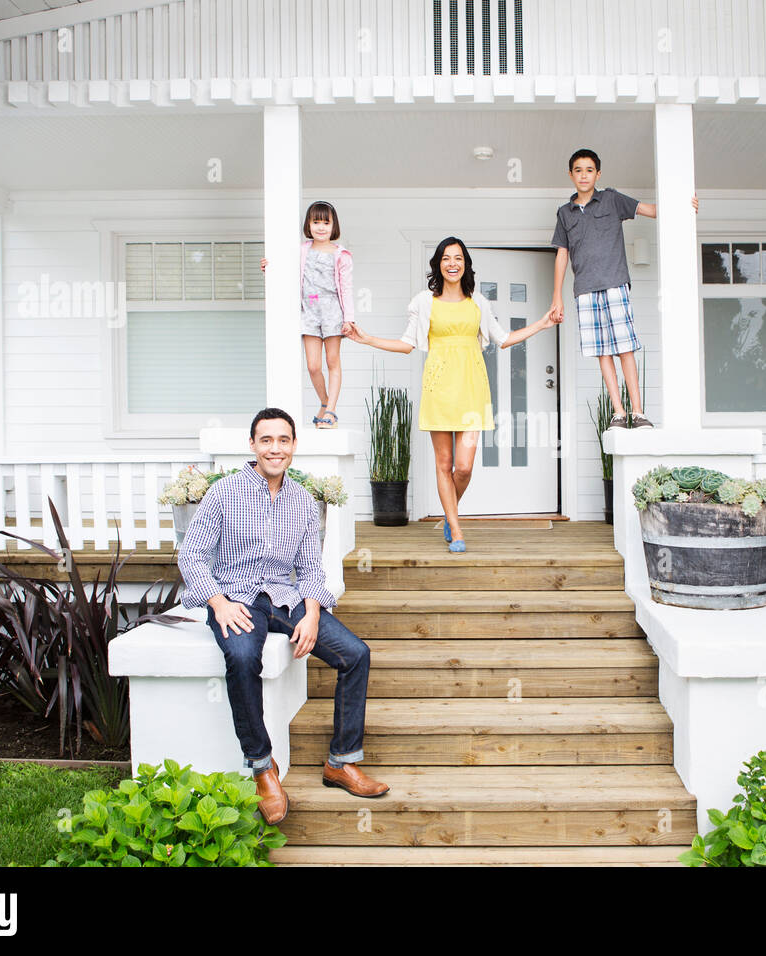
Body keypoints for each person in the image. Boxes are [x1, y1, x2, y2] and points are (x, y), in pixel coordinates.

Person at [177, 407, 389, 826]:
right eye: (267, 440)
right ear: (253, 445)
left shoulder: (304, 502)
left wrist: (312, 613)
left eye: (284, 440)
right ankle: (262, 766)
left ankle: (341, 762)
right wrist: (217, 603)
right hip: (236, 596)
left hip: (285, 599)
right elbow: (192, 554)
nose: (275, 448)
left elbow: (311, 567)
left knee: (355, 654)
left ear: (293, 446)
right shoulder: (224, 493)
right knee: (241, 658)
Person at [342, 237, 558, 552]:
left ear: (465, 264)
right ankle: (456, 530)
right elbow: (406, 344)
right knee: (443, 463)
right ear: (438, 265)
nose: (452, 263)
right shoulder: (423, 302)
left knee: (465, 467)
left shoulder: (479, 302)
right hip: (438, 389)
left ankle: (449, 513)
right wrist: (367, 339)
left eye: (458, 258)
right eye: (446, 258)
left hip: (472, 389)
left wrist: (543, 323)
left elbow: (505, 338)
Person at [549, 147, 698, 430]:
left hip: (615, 283)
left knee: (625, 348)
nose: (584, 175)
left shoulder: (612, 200)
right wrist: (557, 295)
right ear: (571, 175)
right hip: (585, 290)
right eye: (578, 170)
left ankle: (638, 412)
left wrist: (683, 207)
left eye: (589, 170)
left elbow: (650, 211)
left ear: (598, 174)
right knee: (602, 351)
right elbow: (562, 254)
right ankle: (618, 412)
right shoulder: (564, 213)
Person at [260, 201, 354, 428]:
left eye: (326, 222)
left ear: (333, 226)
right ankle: (324, 402)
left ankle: (330, 411)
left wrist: (349, 318)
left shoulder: (341, 254)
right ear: (308, 224)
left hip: (332, 310)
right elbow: (284, 271)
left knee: (332, 361)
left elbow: (347, 287)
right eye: (316, 222)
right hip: (309, 311)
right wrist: (268, 269)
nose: (321, 227)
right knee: (313, 365)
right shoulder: (302, 250)